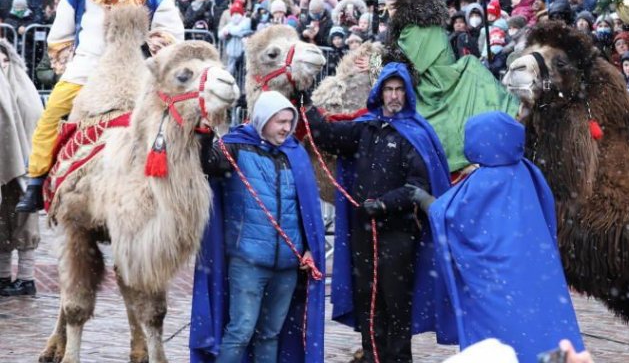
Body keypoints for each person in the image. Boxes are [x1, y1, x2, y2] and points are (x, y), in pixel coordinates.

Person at [15, 0, 184, 213]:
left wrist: (153, 49)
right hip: (85, 67)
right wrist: (66, 66)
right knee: (50, 116)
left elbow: (172, 30)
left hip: (135, 69)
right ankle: (36, 181)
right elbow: (61, 33)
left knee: (168, 121)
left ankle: (172, 182)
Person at [304, 62, 455, 362]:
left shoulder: (415, 134)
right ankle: (373, 356)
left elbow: (417, 186)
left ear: (407, 93)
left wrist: (385, 203)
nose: (394, 95)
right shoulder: (364, 127)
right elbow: (328, 135)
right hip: (363, 232)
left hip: (398, 234)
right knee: (368, 301)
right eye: (389, 89)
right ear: (380, 92)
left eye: (399, 89)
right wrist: (305, 103)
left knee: (396, 304)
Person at [425, 111, 585, 361]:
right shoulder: (528, 173)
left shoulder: (485, 182)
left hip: (495, 286)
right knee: (541, 328)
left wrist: (424, 200)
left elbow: (450, 214)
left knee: (500, 342)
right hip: (534, 275)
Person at [190, 91, 325, 363]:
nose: (286, 128)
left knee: (270, 334)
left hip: (288, 265)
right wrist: (204, 135)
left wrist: (310, 249)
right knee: (241, 330)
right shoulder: (236, 147)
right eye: (280, 122)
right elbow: (207, 162)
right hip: (248, 262)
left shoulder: (294, 154)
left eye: (289, 121)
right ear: (263, 120)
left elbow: (307, 210)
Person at [373, 0, 519, 171]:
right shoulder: (411, 24)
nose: (387, 1)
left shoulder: (419, 28)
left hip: (435, 91)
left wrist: (373, 64)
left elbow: (404, 71)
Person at [0, 39, 43, 296]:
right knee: (2, 218)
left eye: (4, 60)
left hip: (25, 164)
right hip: (11, 162)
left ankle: (26, 278)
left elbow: (30, 120)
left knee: (25, 217)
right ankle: (3, 275)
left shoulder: (22, 89)